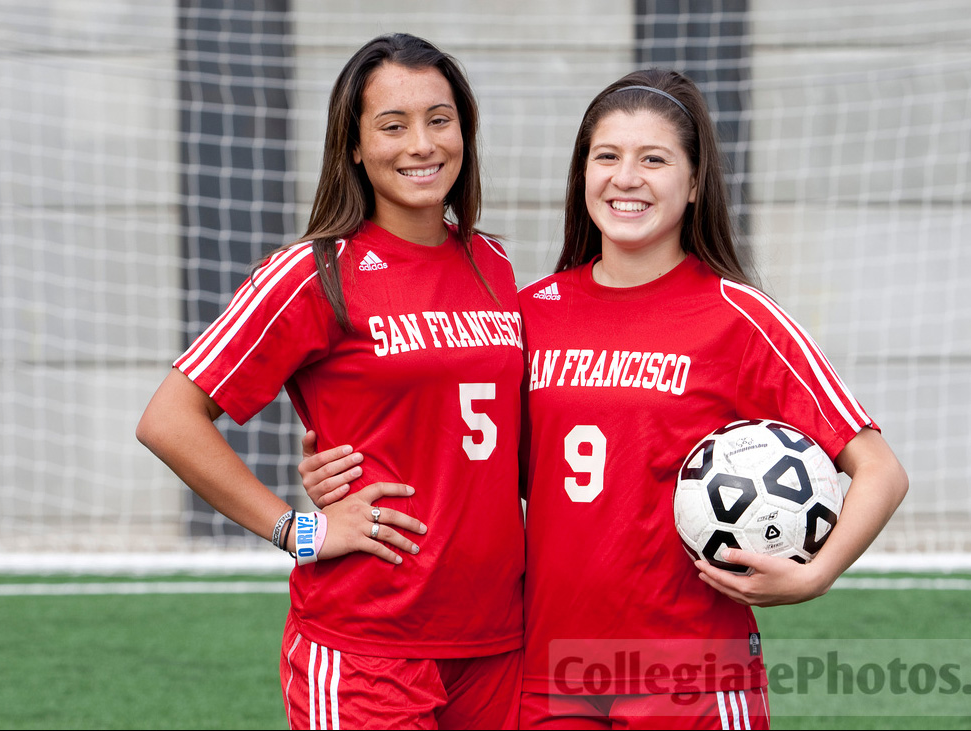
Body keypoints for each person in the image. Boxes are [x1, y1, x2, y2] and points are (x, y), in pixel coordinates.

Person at [300, 68, 908, 730]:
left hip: (692, 672)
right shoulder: (526, 312)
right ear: (581, 173)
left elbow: (878, 469)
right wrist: (341, 464)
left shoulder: (739, 317)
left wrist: (811, 576)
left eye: (654, 159)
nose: (626, 178)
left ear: (695, 182)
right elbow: (464, 446)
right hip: (547, 674)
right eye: (607, 156)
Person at [136, 33, 526, 730]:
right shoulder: (312, 273)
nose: (421, 144)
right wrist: (298, 530)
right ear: (351, 144)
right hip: (367, 646)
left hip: (497, 640)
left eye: (439, 119)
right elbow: (169, 418)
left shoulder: (491, 261)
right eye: (392, 125)